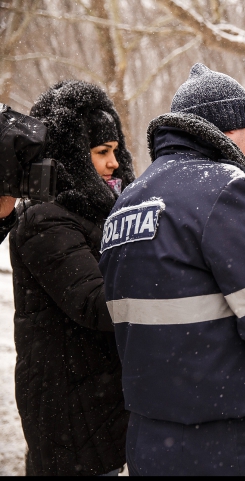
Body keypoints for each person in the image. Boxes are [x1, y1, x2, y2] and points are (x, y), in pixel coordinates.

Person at [99, 63, 245, 476]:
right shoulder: (225, 186)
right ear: (226, 127)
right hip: (222, 442)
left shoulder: (128, 201)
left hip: (148, 437)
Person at [9, 80, 134, 476]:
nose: (114, 163)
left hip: (97, 398)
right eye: (101, 152)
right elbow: (97, 304)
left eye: (116, 151)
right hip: (69, 406)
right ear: (71, 157)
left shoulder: (96, 215)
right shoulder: (43, 219)